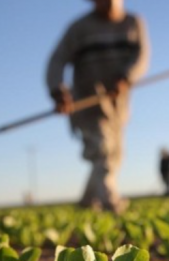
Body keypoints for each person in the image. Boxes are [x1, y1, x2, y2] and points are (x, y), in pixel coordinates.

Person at [46, 0, 150, 213]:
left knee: (115, 155)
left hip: (118, 105)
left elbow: (141, 56)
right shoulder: (79, 28)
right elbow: (56, 61)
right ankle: (110, 203)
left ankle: (86, 202)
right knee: (102, 151)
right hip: (87, 102)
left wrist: (126, 77)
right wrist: (58, 91)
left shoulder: (134, 23)